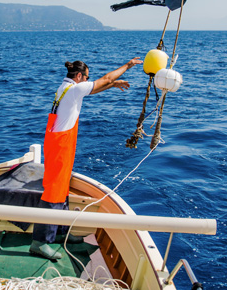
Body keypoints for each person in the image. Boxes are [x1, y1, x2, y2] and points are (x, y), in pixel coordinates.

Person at [30, 57, 143, 260]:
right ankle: (40, 242)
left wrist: (111, 85)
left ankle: (60, 232)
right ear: (80, 76)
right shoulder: (74, 90)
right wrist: (127, 66)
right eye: (88, 78)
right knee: (53, 193)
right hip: (60, 147)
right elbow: (105, 78)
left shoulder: (67, 88)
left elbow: (95, 88)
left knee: (61, 189)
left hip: (59, 144)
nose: (89, 81)